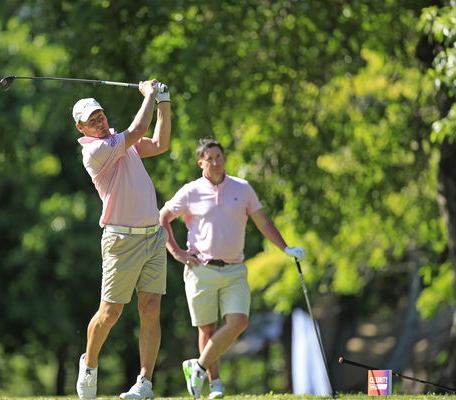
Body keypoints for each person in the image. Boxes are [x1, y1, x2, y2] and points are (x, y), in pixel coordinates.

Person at [159, 137, 305, 399]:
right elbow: (163, 218)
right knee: (207, 329)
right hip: (201, 268)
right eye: (210, 158)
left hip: (234, 269)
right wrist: (177, 252)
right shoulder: (191, 191)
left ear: (224, 159)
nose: (215, 162)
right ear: (201, 162)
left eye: (219, 156)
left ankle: (199, 366)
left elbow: (262, 222)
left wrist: (285, 248)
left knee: (238, 322)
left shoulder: (243, 188)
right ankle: (215, 385)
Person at [74, 79, 171, 400]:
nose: (100, 122)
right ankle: (89, 364)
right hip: (121, 240)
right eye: (92, 120)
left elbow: (160, 144)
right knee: (110, 312)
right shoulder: (96, 151)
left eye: (100, 116)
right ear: (81, 128)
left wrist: (164, 104)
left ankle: (145, 383)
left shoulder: (119, 140)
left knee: (151, 307)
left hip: (153, 236)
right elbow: (139, 129)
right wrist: (148, 95)